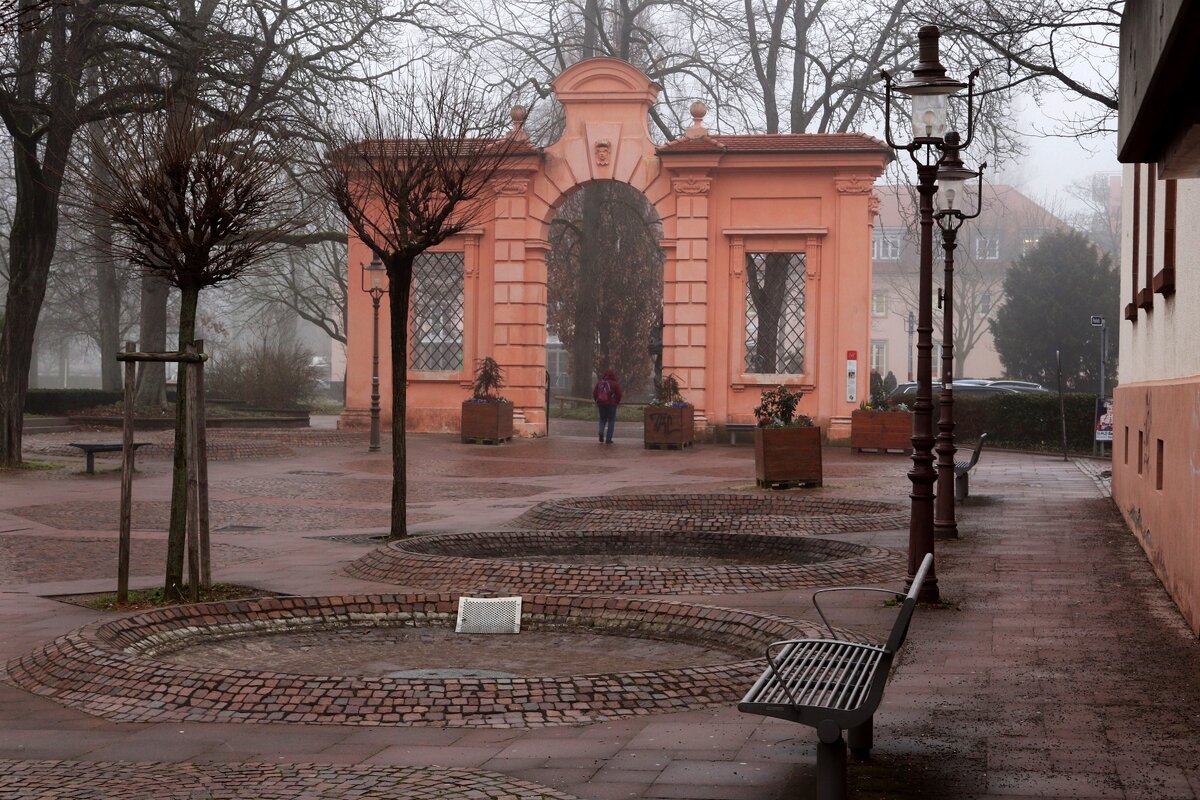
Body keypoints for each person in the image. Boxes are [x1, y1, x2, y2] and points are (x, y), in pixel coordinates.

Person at [593, 368, 623, 444]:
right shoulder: (615, 383)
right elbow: (619, 394)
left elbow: (595, 393)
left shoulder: (599, 383)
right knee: (611, 421)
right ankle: (608, 439)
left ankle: (601, 431)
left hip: (601, 404)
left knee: (602, 419)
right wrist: (616, 401)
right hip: (612, 404)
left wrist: (597, 401)